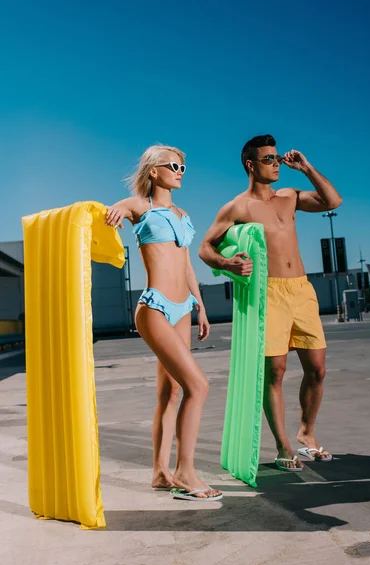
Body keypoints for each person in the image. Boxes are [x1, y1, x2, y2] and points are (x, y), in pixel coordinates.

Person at [199, 134, 342, 472]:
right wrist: (227, 264)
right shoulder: (237, 207)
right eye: (269, 159)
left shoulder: (289, 197)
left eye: (278, 159)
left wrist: (306, 168)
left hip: (301, 291)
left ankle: (307, 434)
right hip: (269, 292)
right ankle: (283, 446)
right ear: (251, 164)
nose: (277, 164)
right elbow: (206, 247)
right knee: (275, 372)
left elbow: (332, 201)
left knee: (318, 369)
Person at [106, 144, 222, 500]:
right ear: (153, 171)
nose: (180, 171)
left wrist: (200, 307)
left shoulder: (184, 214)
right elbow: (122, 207)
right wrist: (115, 211)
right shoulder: (142, 206)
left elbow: (187, 265)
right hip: (155, 308)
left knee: (171, 391)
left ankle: (160, 472)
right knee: (198, 387)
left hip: (183, 307)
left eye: (184, 167)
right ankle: (185, 473)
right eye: (173, 165)